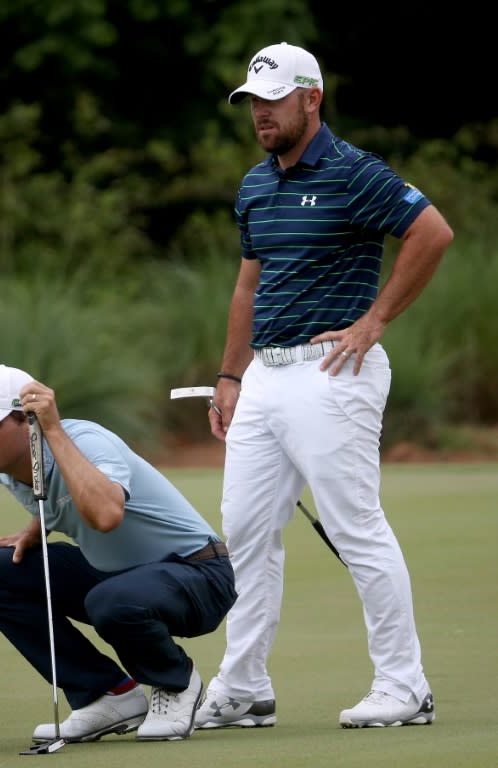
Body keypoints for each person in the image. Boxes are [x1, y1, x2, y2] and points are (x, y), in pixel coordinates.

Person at [194, 42, 454, 730]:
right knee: (244, 531)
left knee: (354, 525)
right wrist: (229, 374)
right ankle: (245, 685)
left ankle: (406, 686)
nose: (261, 114)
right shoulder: (254, 185)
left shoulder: (353, 171)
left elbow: (432, 232)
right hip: (266, 380)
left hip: (334, 371)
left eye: (274, 99)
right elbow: (248, 285)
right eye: (253, 102)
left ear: (312, 98)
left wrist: (375, 319)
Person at [0, 364, 236, 743]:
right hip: (123, 579)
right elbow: (60, 496)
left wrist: (52, 429)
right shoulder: (8, 467)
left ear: (28, 422)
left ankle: (176, 682)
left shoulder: (84, 440)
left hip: (199, 573)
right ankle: (105, 694)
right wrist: (35, 528)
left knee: (110, 599)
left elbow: (106, 514)